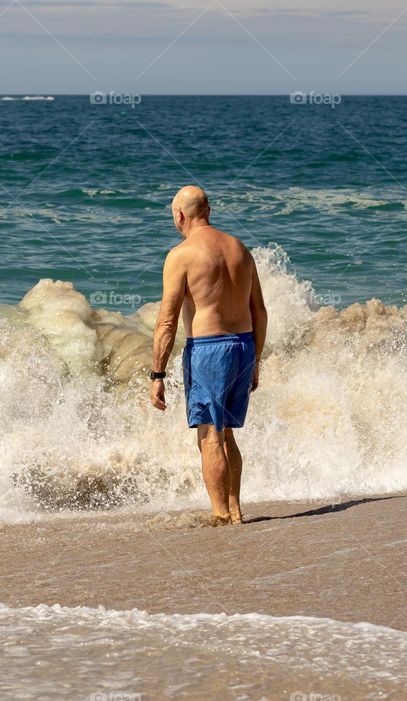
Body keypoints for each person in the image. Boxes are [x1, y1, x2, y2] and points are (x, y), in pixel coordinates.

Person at [149, 186, 268, 526]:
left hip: (209, 350)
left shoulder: (181, 255)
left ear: (180, 216)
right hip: (243, 345)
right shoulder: (239, 249)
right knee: (226, 431)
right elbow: (259, 311)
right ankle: (236, 511)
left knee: (210, 433)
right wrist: (256, 359)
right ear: (209, 211)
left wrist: (157, 376)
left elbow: (167, 320)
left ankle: (220, 514)